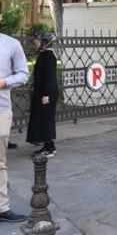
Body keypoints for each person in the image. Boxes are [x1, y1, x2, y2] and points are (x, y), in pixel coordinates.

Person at [0, 30, 30, 221]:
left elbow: (23, 74)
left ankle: (1, 208)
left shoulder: (11, 44)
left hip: (0, 111)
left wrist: (4, 81)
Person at [27, 31, 59, 158]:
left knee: (46, 119)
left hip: (47, 93)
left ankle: (49, 148)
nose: (35, 42)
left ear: (45, 41)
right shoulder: (45, 54)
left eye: (38, 39)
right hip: (43, 92)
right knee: (43, 119)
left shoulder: (49, 55)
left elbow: (49, 77)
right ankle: (47, 145)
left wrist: (46, 94)